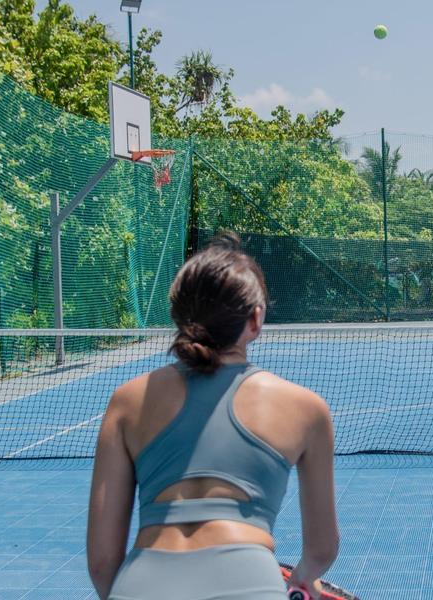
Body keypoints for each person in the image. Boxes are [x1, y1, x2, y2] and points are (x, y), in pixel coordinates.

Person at [87, 232, 339, 600]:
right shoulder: (306, 407)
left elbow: (102, 562)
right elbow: (321, 549)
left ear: (179, 315)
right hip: (249, 581)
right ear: (254, 320)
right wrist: (301, 578)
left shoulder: (127, 402)